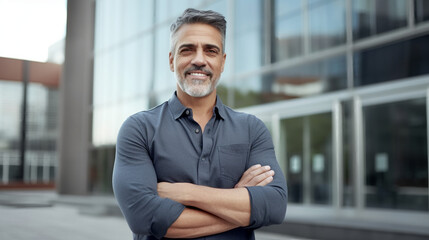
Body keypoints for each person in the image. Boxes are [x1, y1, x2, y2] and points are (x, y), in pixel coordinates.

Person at [113, 8, 287, 240]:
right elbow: (145, 217)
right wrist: (238, 201)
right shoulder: (139, 129)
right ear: (172, 60)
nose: (199, 59)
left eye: (210, 50)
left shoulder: (252, 129)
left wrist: (186, 193)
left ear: (222, 62)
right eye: (187, 50)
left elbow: (274, 206)